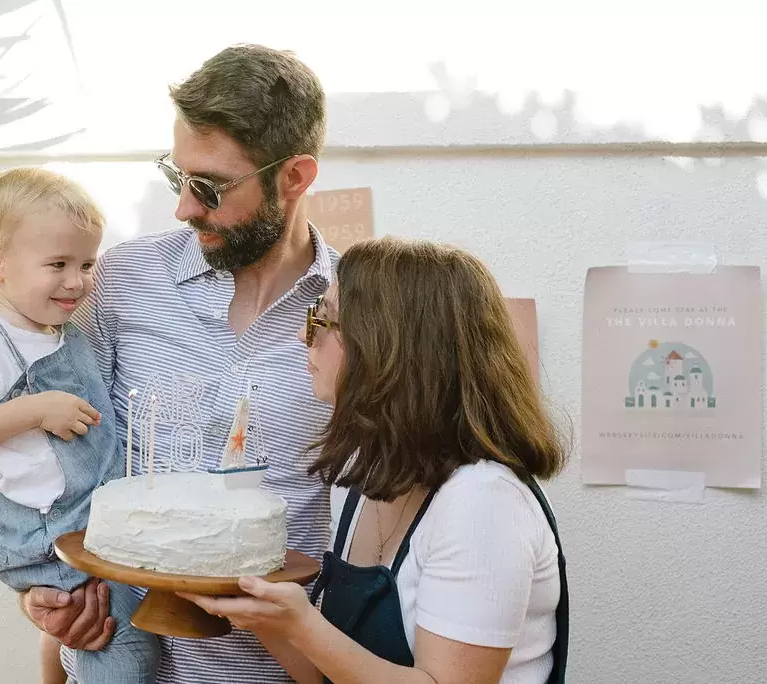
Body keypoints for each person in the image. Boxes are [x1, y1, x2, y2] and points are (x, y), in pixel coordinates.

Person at [18, 44, 338, 683]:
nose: (185, 207)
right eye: (177, 177)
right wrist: (42, 592)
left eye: (211, 187)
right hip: (119, 662)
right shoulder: (117, 281)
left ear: (296, 177)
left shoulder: (354, 312)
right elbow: (43, 450)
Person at [183, 237, 570, 684]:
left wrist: (301, 623)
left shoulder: (483, 504)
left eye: (323, 320)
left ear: (389, 350)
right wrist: (262, 612)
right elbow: (327, 675)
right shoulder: (361, 476)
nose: (302, 335)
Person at [0, 167, 160, 684]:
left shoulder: (59, 331)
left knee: (135, 633)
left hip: (90, 530)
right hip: (53, 541)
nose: (77, 280)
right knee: (121, 645)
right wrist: (36, 409)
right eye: (57, 264)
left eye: (86, 263)